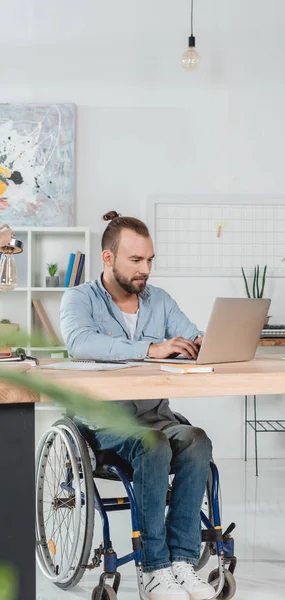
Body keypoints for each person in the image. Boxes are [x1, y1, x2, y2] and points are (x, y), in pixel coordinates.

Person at [60, 211, 215, 600]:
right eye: (136, 260)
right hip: (103, 423)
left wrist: (204, 340)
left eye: (150, 260)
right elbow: (81, 344)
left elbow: (189, 333)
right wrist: (151, 348)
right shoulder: (79, 299)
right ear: (108, 258)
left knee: (196, 440)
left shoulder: (159, 301)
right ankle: (153, 568)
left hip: (155, 417)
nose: (145, 269)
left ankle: (182, 561)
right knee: (153, 444)